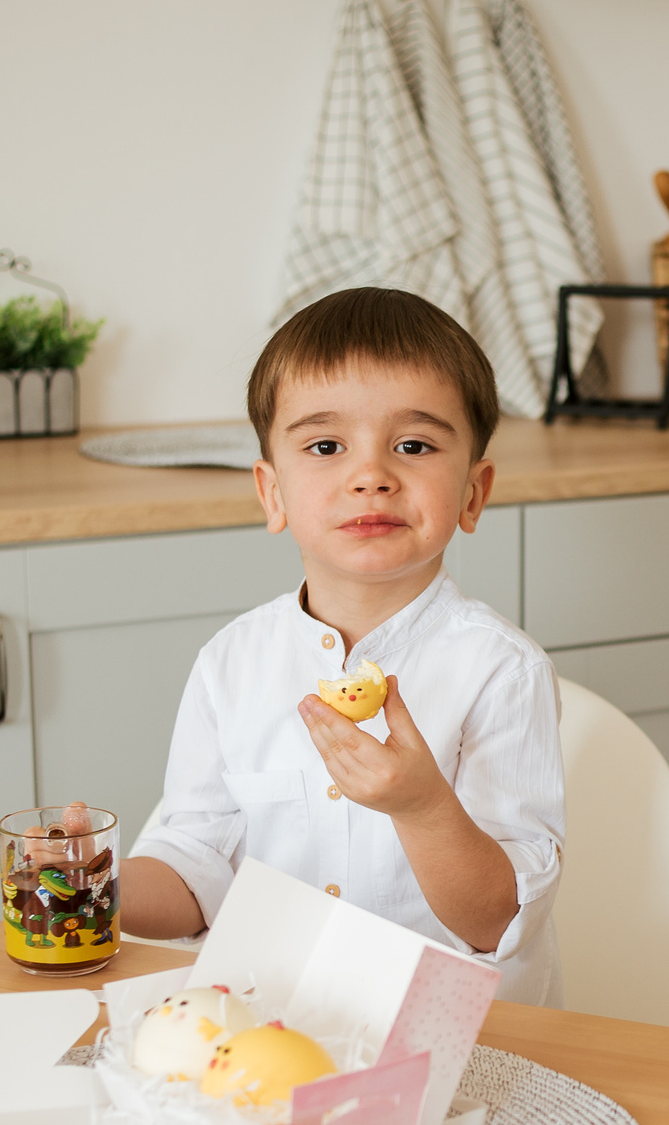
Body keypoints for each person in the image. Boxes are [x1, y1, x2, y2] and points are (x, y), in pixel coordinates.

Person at [120, 288, 564, 1004]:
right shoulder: (231, 663)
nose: (371, 475)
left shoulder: (502, 671)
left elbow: (495, 921)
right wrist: (91, 890)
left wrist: (422, 806)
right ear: (272, 493)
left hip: (462, 1046)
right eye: (326, 446)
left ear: (473, 494)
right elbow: (197, 865)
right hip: (272, 1025)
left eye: (413, 446)